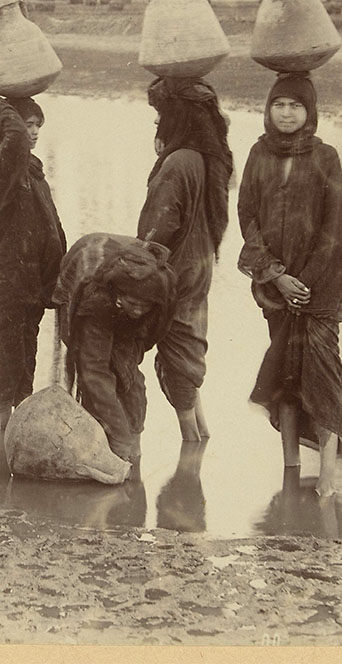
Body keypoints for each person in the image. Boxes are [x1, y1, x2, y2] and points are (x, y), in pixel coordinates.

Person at [237, 71, 342, 499]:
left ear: (311, 112)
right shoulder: (258, 154)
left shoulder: (326, 158)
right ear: (268, 109)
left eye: (296, 106)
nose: (287, 114)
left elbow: (335, 228)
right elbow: (247, 215)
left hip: (317, 293)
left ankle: (327, 478)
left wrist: (304, 282)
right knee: (284, 375)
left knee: (322, 376)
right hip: (276, 289)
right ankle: (289, 468)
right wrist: (275, 274)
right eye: (279, 105)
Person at [135, 75, 234, 441]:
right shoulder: (213, 159)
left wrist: (136, 267)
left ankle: (190, 440)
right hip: (201, 265)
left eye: (162, 119)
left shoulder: (178, 163)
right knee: (188, 344)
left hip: (177, 271)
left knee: (175, 348)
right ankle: (200, 436)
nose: (158, 127)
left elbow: (157, 228)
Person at [0, 67, 67, 437]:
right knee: (6, 357)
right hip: (9, 278)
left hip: (32, 282)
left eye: (36, 126)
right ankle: (4, 433)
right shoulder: (3, 164)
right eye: (27, 123)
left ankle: (19, 430)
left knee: (26, 356)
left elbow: (51, 224)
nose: (31, 132)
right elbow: (13, 136)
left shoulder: (31, 170)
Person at [53, 233, 175, 464]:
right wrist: (120, 435)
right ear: (119, 295)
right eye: (134, 304)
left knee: (128, 374)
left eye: (145, 306)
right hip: (84, 263)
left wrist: (130, 439)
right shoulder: (96, 296)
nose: (139, 310)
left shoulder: (161, 295)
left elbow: (145, 342)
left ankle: (132, 449)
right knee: (94, 378)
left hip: (122, 275)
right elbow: (94, 370)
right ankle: (104, 441)